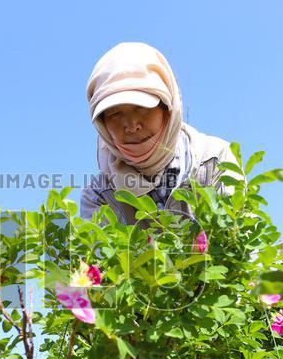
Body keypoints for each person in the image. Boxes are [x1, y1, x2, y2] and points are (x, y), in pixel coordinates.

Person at [79, 42, 238, 225]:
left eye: (142, 107)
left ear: (168, 108)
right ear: (102, 124)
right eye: (115, 114)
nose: (131, 126)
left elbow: (238, 244)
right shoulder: (99, 196)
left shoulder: (215, 160)